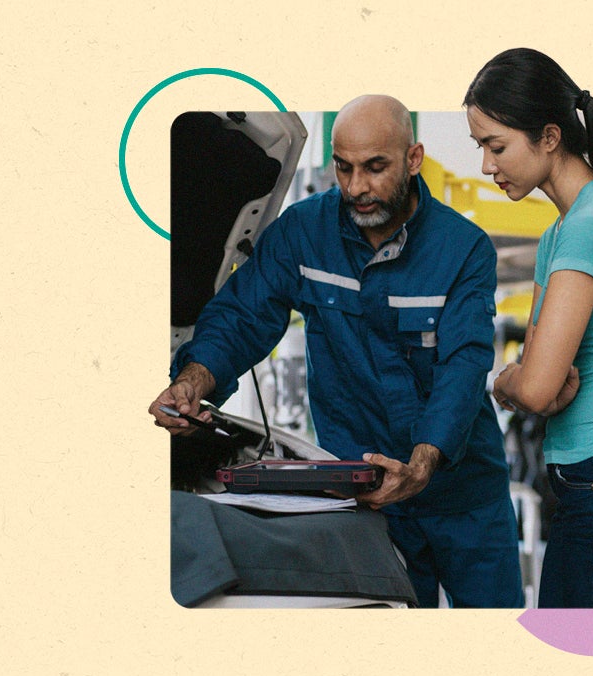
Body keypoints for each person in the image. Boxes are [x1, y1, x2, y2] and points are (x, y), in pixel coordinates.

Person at [149, 95, 524, 609]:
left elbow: (463, 366)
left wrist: (421, 463)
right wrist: (194, 379)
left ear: (412, 160)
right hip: (363, 494)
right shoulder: (304, 235)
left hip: (462, 494)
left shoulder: (463, 250)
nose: (357, 187)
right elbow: (242, 316)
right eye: (343, 168)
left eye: (375, 168)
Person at [464, 49, 593, 608]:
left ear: (550, 137)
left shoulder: (591, 224)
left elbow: (535, 386)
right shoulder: (563, 231)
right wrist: (525, 382)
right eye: (481, 147)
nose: (487, 165)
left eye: (496, 146)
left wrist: (506, 383)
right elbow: (539, 375)